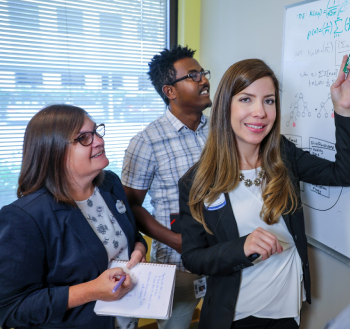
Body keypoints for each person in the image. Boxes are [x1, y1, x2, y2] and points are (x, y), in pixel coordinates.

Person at [178, 57, 350, 329]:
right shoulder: (197, 181)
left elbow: (344, 173)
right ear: (226, 106)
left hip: (287, 311)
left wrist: (343, 110)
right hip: (237, 316)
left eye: (269, 100)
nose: (260, 112)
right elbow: (193, 257)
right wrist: (241, 248)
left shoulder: (283, 154)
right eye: (246, 99)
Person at [0, 104, 147, 329]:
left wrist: (139, 248)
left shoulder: (110, 184)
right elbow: (10, 308)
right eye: (83, 138)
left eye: (96, 131)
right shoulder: (24, 217)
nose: (98, 140)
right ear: (53, 151)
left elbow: (130, 233)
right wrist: (90, 291)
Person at [121, 45, 211, 329]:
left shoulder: (221, 131)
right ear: (170, 91)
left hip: (224, 256)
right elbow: (129, 205)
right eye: (193, 75)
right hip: (178, 265)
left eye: (203, 73)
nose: (204, 80)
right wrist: (176, 242)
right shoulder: (146, 141)